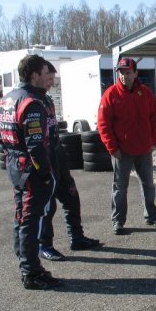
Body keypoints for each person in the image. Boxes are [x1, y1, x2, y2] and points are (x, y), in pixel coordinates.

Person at [0, 54, 61, 290]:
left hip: (15, 165)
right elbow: (35, 145)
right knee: (31, 220)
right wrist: (45, 175)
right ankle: (31, 272)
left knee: (21, 217)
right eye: (46, 73)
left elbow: (0, 138)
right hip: (29, 169)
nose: (50, 79)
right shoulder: (31, 102)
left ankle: (26, 262)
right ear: (34, 75)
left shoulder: (7, 99)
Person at [38, 62, 101, 261]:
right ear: (37, 76)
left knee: (72, 199)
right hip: (43, 163)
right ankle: (44, 245)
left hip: (58, 159)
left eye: (53, 80)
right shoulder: (31, 102)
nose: (51, 84)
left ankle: (77, 237)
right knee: (48, 208)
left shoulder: (47, 101)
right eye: (48, 79)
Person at [97, 57, 156, 235]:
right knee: (120, 187)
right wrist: (113, 149)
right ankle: (118, 221)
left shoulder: (146, 93)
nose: (124, 76)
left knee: (148, 184)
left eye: (128, 73)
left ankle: (151, 215)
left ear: (135, 73)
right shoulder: (110, 95)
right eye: (121, 73)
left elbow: (155, 119)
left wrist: (154, 142)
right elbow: (104, 124)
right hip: (122, 152)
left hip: (144, 149)